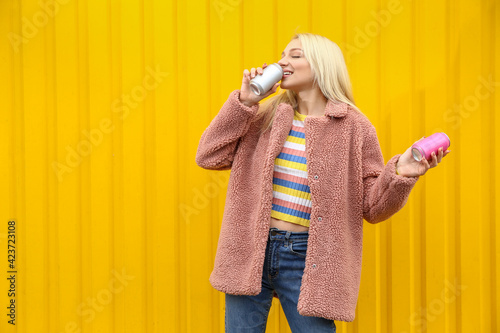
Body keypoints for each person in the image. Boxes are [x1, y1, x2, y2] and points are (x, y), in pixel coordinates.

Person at [195, 33, 450, 332]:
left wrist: (400, 175)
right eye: (283, 54)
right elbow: (209, 156)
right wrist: (245, 102)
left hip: (308, 259)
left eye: (295, 55)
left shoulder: (355, 127)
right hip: (251, 248)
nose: (282, 61)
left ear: (321, 65)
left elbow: (373, 208)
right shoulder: (265, 116)